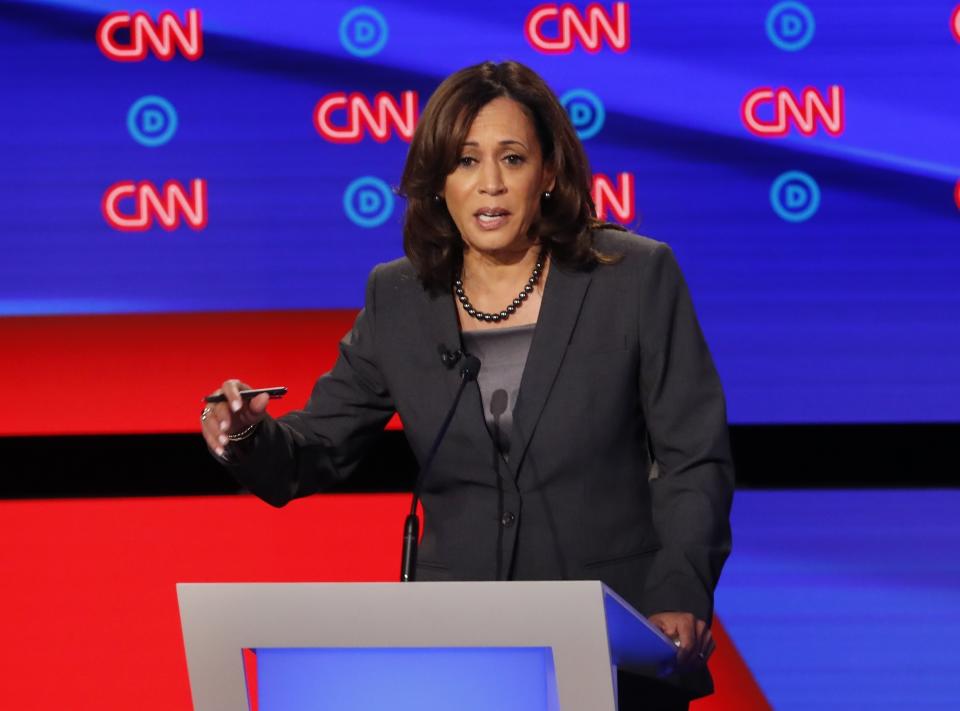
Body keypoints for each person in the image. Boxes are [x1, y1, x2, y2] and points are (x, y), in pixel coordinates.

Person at [200, 60, 734, 710]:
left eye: (511, 159)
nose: (489, 185)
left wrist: (679, 590)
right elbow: (318, 446)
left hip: (616, 639)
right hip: (460, 651)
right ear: (436, 181)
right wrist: (248, 436)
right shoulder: (399, 297)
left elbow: (694, 456)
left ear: (549, 173)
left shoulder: (633, 278)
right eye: (464, 161)